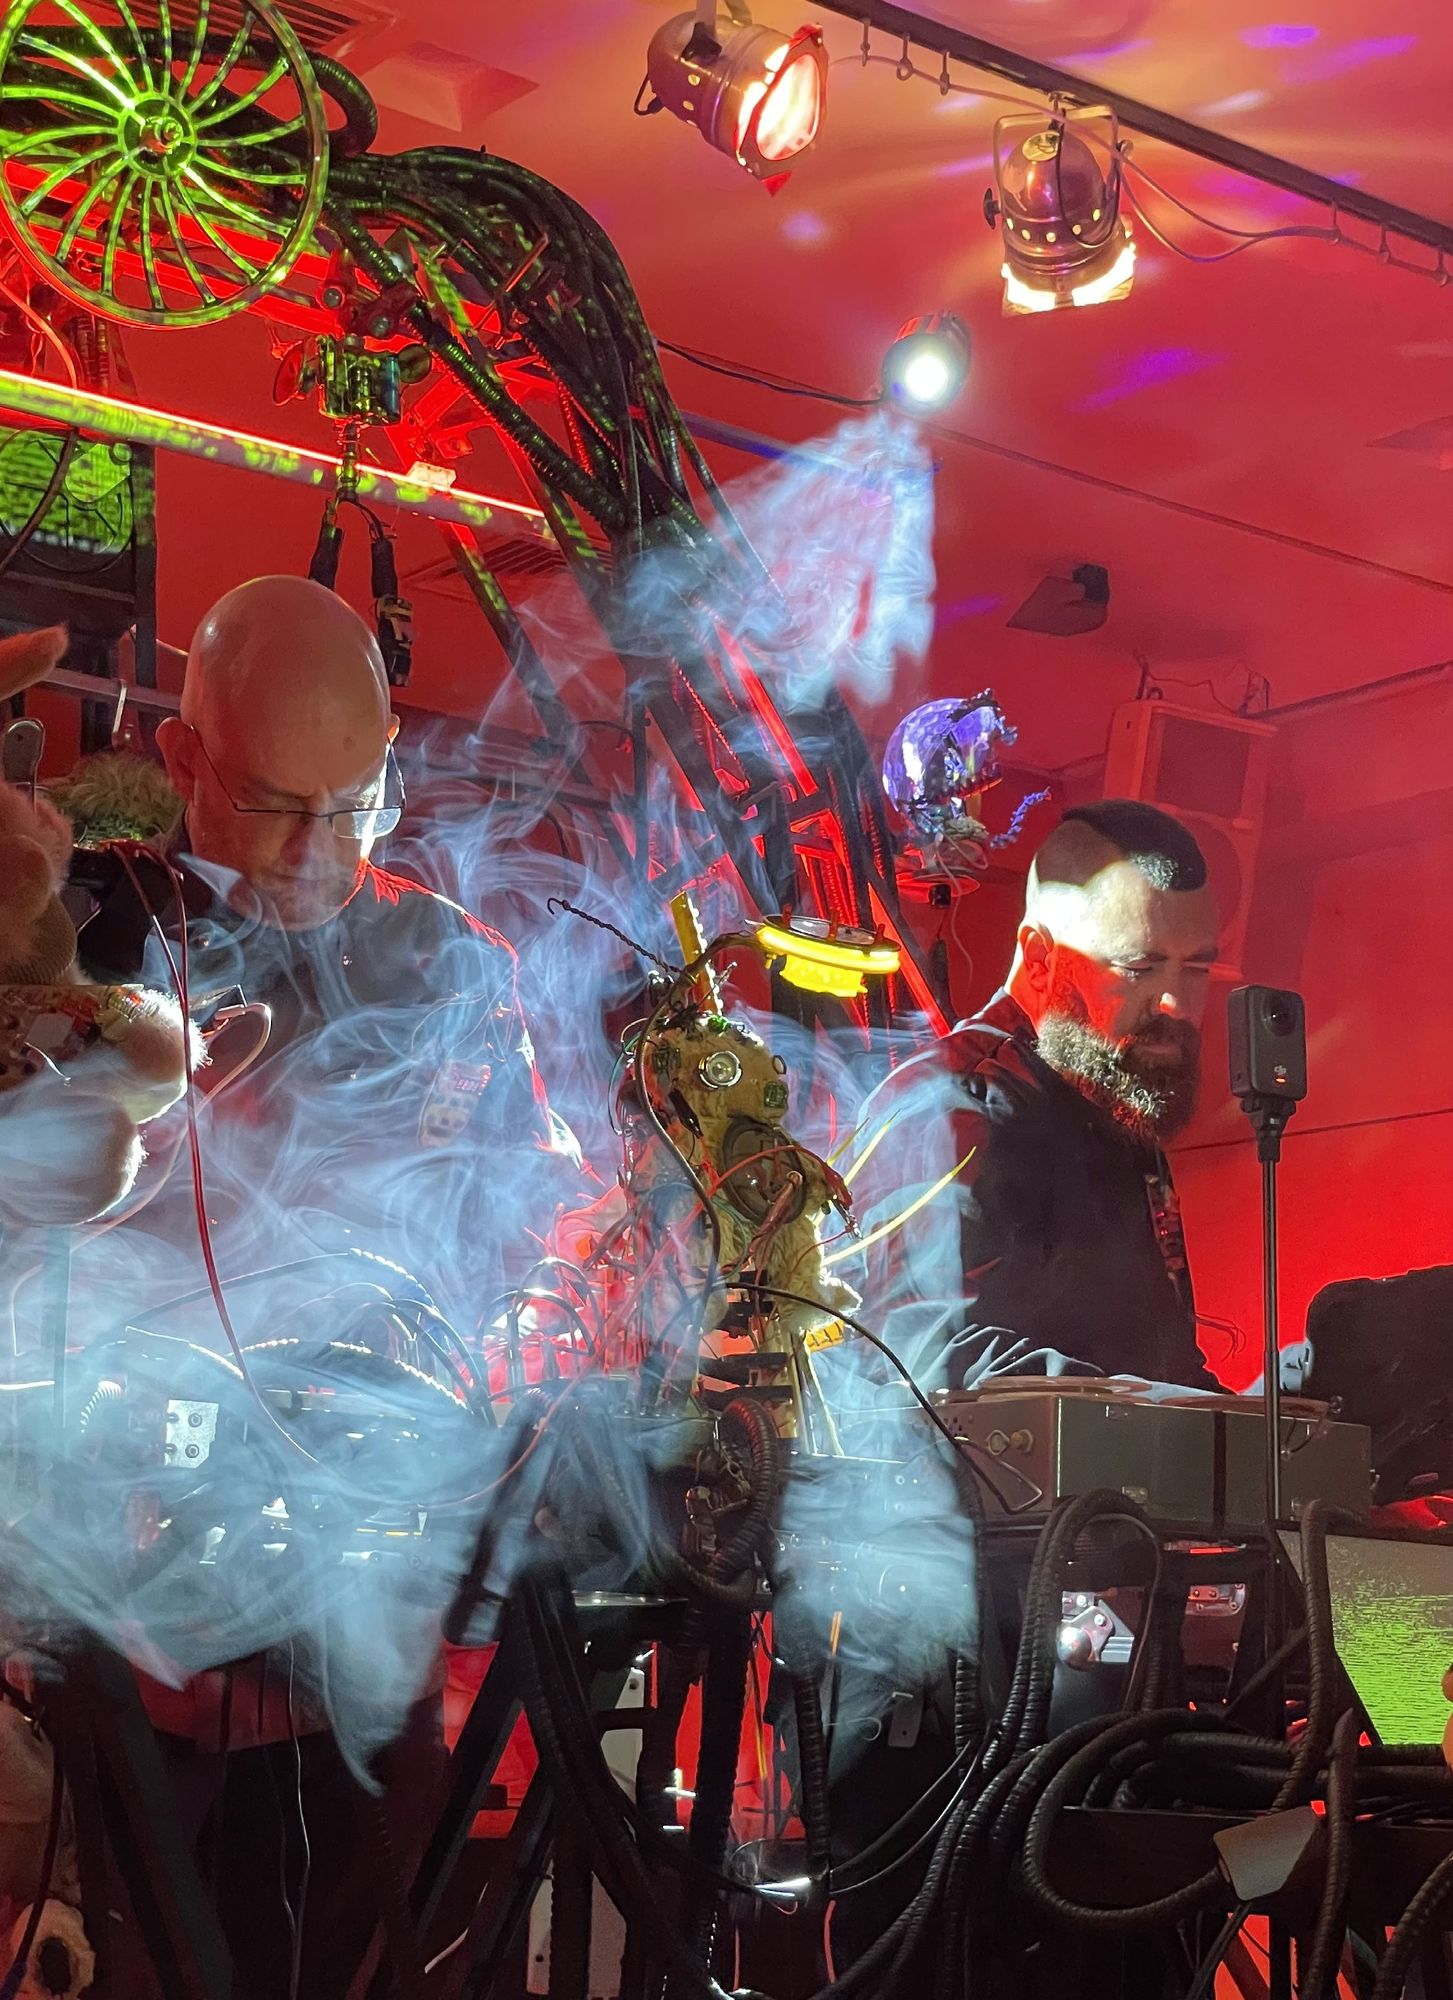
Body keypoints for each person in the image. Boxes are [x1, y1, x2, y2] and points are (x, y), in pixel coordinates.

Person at [75, 573, 581, 1319]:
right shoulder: (90, 939)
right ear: (184, 761)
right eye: (273, 804)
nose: (314, 852)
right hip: (145, 1361)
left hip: (396, 1368)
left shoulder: (456, 959)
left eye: (353, 805)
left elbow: (523, 1187)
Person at [853, 798, 1223, 1393]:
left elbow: (1163, 1369)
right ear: (1041, 958)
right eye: (1139, 968)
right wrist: (1169, 1413)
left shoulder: (1112, 1099)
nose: (1175, 1003)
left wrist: (1290, 1411)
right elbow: (926, 1356)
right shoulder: (948, 1108)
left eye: (1196, 969)